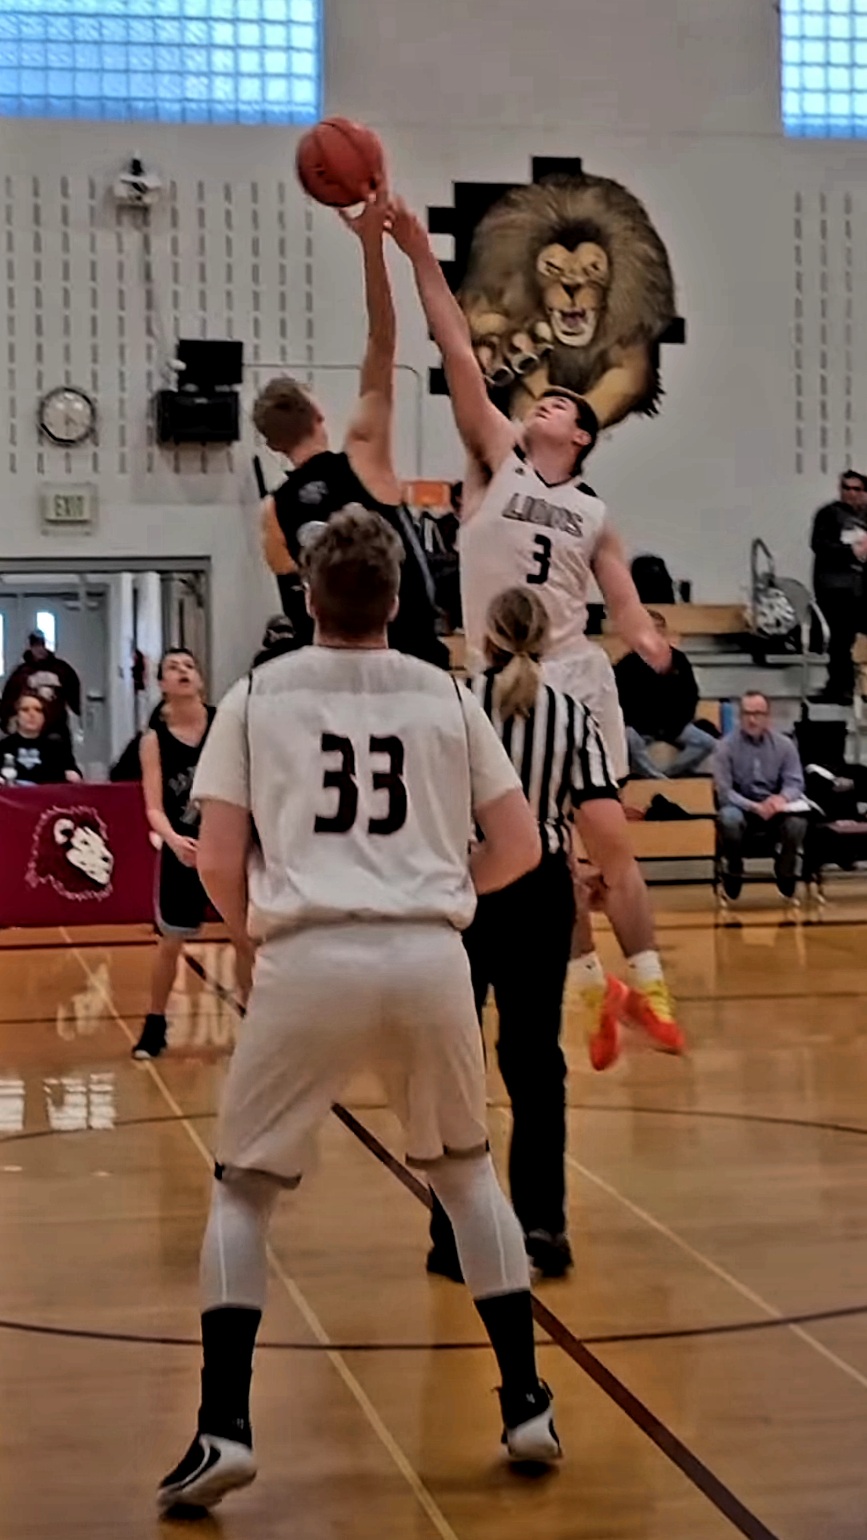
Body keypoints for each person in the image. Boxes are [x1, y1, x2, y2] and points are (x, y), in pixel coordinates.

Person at [157, 508, 559, 1515]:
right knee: (466, 1176)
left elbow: (216, 859)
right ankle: (525, 1405)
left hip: (308, 949)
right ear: (398, 599)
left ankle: (223, 1427)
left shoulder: (257, 695)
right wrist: (439, 892)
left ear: (307, 597)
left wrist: (257, 937)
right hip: (428, 953)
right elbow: (520, 846)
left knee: (244, 1192)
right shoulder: (444, 693)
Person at [389, 197, 683, 1051]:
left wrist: (648, 641)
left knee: (606, 845)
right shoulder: (494, 461)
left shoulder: (593, 513)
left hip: (573, 675)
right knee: (547, 854)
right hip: (501, 682)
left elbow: (623, 604)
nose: (540, 404)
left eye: (557, 405)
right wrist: (420, 255)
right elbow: (455, 346)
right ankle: (593, 993)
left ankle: (650, 985)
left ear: (580, 435)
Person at [428, 586, 622, 1284]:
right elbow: (600, 809)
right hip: (539, 890)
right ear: (547, 639)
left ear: (485, 637)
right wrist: (608, 877)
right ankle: (544, 1225)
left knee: (452, 1062)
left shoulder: (453, 704)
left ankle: (454, 1235)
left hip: (463, 884)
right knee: (536, 1062)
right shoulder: (571, 714)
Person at [254, 190, 445, 668]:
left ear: (272, 444)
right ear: (318, 412)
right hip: (410, 659)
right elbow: (382, 339)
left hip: (332, 668)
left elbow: (294, 605)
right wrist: (370, 246)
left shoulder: (273, 512)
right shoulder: (362, 453)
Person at [130, 650, 223, 1061]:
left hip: (226, 844)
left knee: (246, 939)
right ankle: (155, 1023)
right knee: (170, 942)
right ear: (162, 684)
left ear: (200, 679)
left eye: (189, 665)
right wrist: (173, 840)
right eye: (173, 667)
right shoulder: (154, 740)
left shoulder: (225, 726)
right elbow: (154, 807)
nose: (183, 671)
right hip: (182, 848)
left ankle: (258, 1025)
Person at [713, 691, 808, 902]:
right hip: (742, 807)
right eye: (747, 713)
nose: (752, 719)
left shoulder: (785, 745)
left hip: (775, 808)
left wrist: (781, 799)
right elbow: (724, 791)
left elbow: (795, 782)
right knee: (728, 819)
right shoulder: (725, 746)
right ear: (740, 715)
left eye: (757, 713)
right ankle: (734, 867)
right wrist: (754, 807)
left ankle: (786, 869)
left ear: (767, 716)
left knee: (797, 823)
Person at [615, 610, 715, 778]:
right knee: (629, 737)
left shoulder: (679, 660)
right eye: (651, 627)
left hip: (674, 727)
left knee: (708, 743)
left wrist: (678, 723)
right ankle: (654, 776)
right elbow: (620, 701)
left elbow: (691, 695)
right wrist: (641, 724)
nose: (656, 632)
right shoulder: (627, 664)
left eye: (659, 627)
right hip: (640, 728)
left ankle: (667, 776)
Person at [810, 470, 867, 705]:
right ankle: (840, 688)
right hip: (836, 588)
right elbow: (819, 545)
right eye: (846, 488)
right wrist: (849, 551)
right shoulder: (828, 514)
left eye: (856, 489)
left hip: (861, 588)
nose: (851, 493)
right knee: (839, 642)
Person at [0, 630, 82, 742]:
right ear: (31, 648)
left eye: (41, 645)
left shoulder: (61, 669)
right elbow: (9, 697)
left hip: (56, 727)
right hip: (29, 729)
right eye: (35, 646)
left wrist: (79, 712)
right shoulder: (21, 673)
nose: (39, 649)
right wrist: (7, 722)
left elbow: (74, 692)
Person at [0, 691, 81, 784]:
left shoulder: (56, 749)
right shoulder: (4, 746)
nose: (32, 714)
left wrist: (73, 774)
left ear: (44, 717)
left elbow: (74, 773)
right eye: (25, 709)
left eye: (38, 710)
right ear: (16, 716)